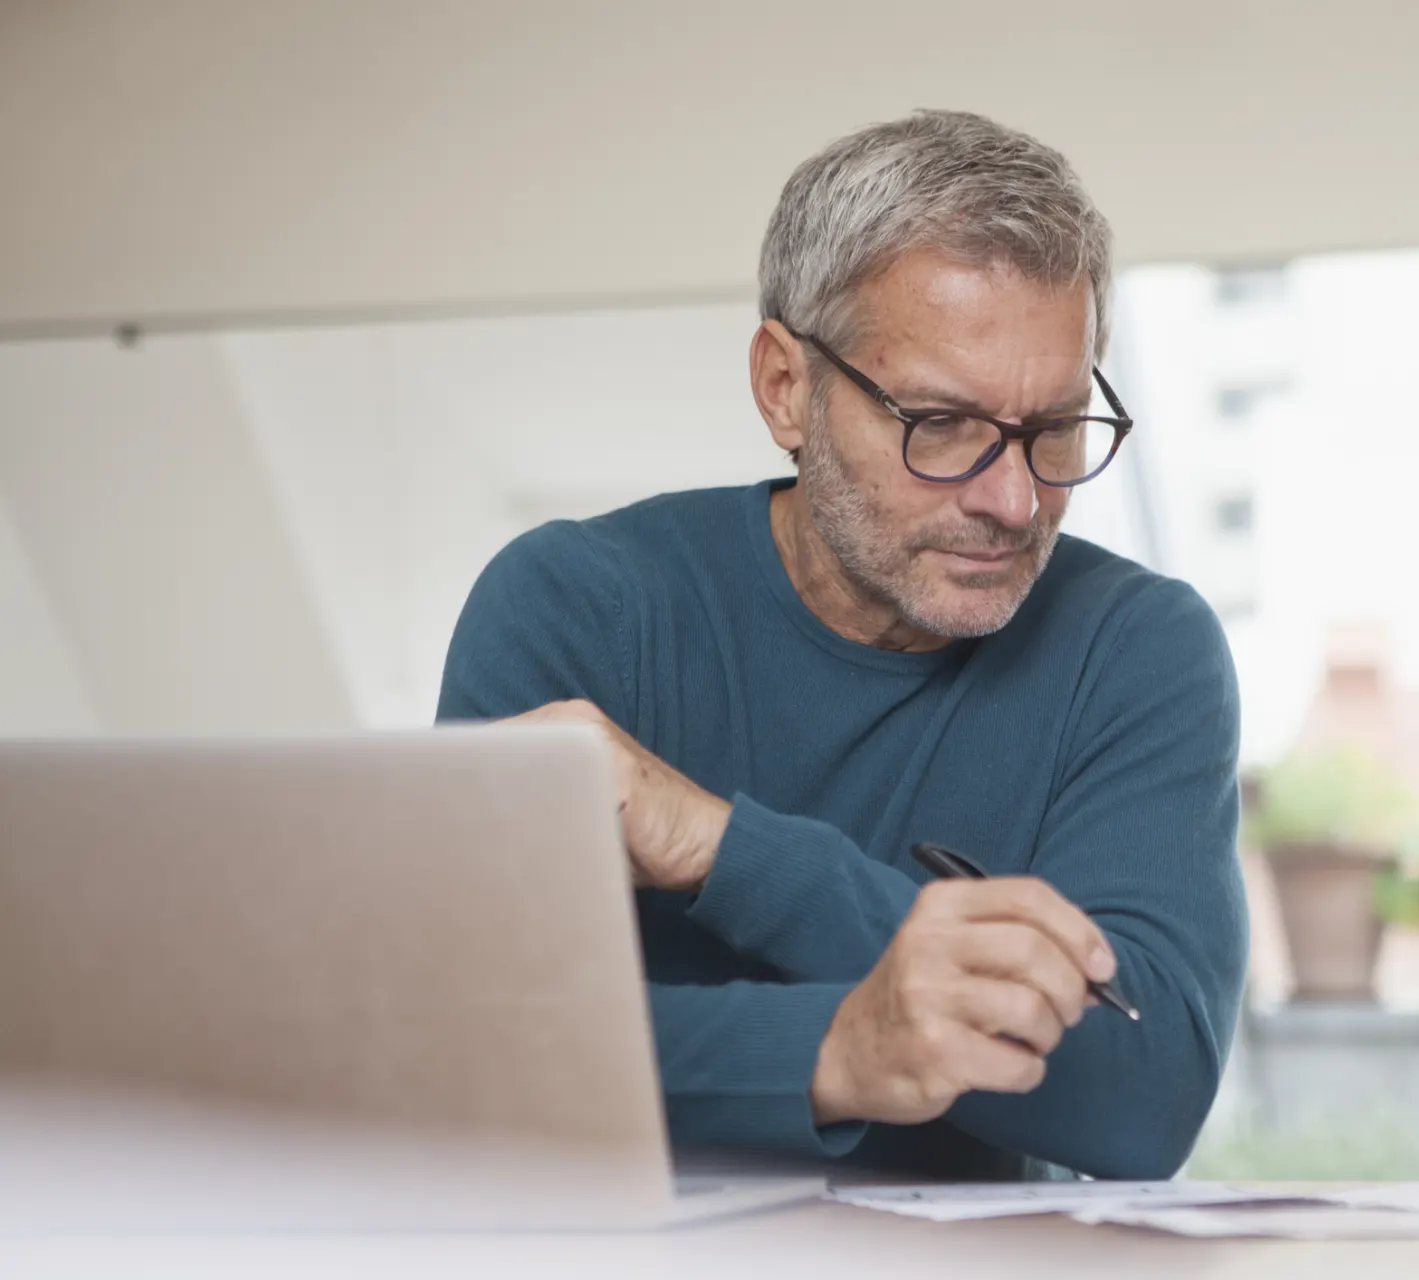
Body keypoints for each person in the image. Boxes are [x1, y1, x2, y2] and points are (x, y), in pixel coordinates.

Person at [437, 109, 1247, 1181]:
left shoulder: (1137, 649)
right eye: (941, 424)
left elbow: (1145, 1095)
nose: (1014, 499)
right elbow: (464, 1058)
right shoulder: (577, 605)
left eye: (1054, 428)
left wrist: (722, 846)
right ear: (785, 386)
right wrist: (837, 1052)